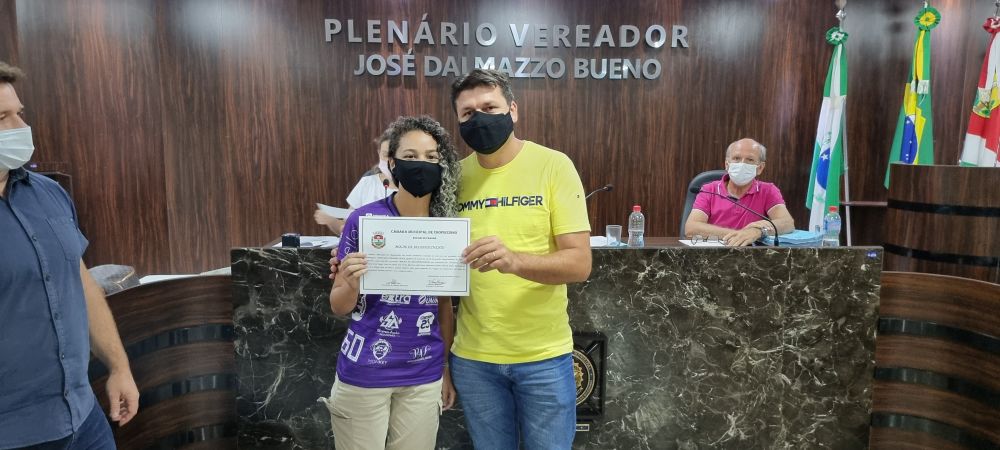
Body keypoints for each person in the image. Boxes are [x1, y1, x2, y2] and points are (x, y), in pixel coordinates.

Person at [450, 69, 592, 449]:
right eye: (468, 113)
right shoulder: (453, 178)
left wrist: (514, 261)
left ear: (512, 110)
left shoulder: (553, 166)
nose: (479, 118)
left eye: (489, 107)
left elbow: (579, 263)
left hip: (543, 357)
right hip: (474, 359)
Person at [0, 61, 139, 448]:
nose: (20, 127)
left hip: (83, 416)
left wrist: (118, 366)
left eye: (19, 113)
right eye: (2, 118)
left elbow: (78, 282)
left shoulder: (49, 194)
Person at [324, 116, 460, 450]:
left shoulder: (448, 228)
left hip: (423, 375)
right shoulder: (364, 220)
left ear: (442, 165)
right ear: (393, 163)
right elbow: (339, 305)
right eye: (410, 156)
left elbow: (444, 307)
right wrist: (351, 282)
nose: (421, 164)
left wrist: (445, 368)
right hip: (364, 371)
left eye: (431, 157)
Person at [683, 138, 795, 246]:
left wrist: (758, 232)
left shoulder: (768, 190)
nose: (742, 164)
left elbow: (787, 223)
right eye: (736, 158)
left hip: (752, 255)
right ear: (727, 164)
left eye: (750, 160)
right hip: (714, 253)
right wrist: (742, 235)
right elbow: (691, 228)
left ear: (760, 168)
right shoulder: (709, 190)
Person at [314, 130, 397, 235]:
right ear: (379, 153)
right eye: (385, 155)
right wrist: (331, 220)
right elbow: (345, 228)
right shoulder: (367, 183)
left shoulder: (413, 187)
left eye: (394, 155)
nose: (390, 160)